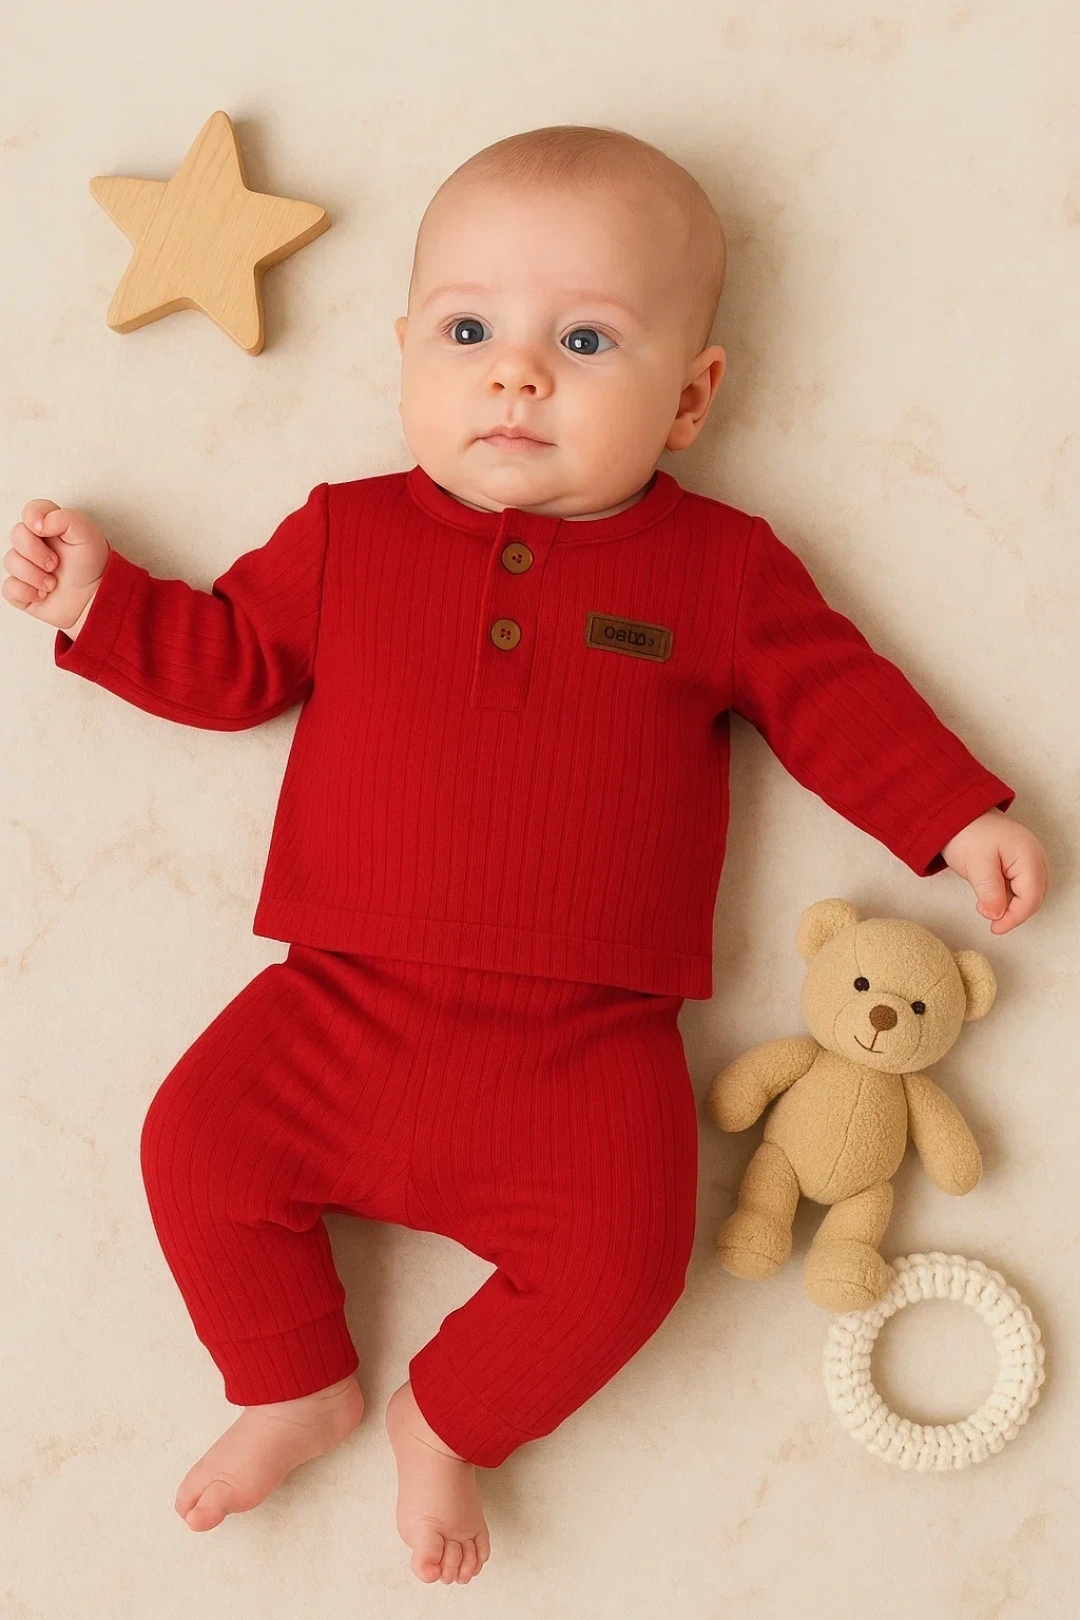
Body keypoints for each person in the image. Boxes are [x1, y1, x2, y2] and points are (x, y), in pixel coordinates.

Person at [4, 124, 1050, 1586]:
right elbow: (233, 662)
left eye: (586, 341)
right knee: (195, 1145)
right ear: (404, 356)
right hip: (340, 1007)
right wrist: (99, 605)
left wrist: (954, 812)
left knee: (631, 1265)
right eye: (469, 332)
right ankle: (294, 1380)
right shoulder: (349, 535)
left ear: (690, 398)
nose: (517, 375)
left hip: (588, 1049)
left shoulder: (719, 571)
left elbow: (835, 701)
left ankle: (450, 1416)